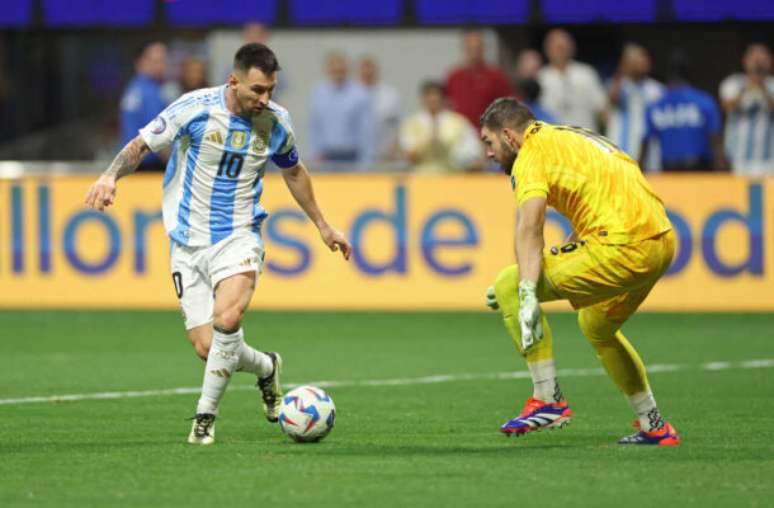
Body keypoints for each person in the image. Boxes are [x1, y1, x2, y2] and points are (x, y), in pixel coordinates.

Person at [84, 43, 352, 445]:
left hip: (239, 234)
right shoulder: (194, 108)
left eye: (271, 90)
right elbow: (142, 144)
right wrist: (109, 176)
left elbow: (294, 172)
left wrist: (323, 226)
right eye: (257, 90)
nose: (265, 100)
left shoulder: (277, 122)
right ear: (234, 81)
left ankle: (204, 420)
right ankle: (266, 367)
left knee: (228, 320)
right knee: (208, 348)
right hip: (187, 241)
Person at [479, 97, 680, 446]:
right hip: (660, 241)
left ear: (510, 136)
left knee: (509, 283)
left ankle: (548, 399)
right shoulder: (569, 137)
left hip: (622, 246)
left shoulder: (529, 156)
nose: (487, 153)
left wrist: (526, 292)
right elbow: (600, 198)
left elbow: (530, 226)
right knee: (597, 325)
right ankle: (654, 424)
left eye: (489, 142)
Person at [640, 52, 726, 171]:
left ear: (668, 74)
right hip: (699, 170)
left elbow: (645, 144)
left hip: (669, 170)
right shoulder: (704, 101)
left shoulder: (655, 106)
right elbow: (716, 140)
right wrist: (721, 170)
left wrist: (640, 172)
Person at [399, 81, 483, 173]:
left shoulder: (458, 122)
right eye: (428, 95)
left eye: (435, 95)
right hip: (421, 177)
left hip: (452, 175)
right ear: (422, 98)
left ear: (443, 98)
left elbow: (473, 151)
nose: (432, 99)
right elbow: (408, 154)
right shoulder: (411, 124)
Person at [308, 52, 375, 166]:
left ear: (347, 70)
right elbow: (314, 126)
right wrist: (315, 153)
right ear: (328, 70)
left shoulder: (360, 93)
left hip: (352, 155)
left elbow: (366, 130)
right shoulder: (319, 93)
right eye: (335, 70)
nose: (338, 74)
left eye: (341, 70)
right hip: (326, 155)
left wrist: (366, 160)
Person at [605, 43, 664, 168]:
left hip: (650, 153)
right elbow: (612, 100)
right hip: (621, 149)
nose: (639, 64)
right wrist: (622, 70)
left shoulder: (657, 89)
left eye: (642, 59)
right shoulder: (617, 85)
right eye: (634, 61)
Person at [719, 43, 774, 174]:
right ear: (745, 61)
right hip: (738, 159)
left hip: (770, 160)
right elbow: (728, 106)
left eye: (762, 58)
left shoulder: (772, 84)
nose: (758, 63)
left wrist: (762, 85)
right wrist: (750, 84)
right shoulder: (733, 82)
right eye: (754, 59)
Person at [538, 29, 606, 129]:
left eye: (564, 48)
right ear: (547, 50)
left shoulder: (586, 73)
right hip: (553, 140)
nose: (560, 52)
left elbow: (601, 107)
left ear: (572, 48)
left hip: (585, 138)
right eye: (557, 48)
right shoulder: (540, 78)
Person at [445, 30, 514, 126]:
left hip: (487, 132)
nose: (474, 53)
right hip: (460, 133)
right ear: (464, 49)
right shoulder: (454, 77)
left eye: (477, 48)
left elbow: (508, 105)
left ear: (483, 49)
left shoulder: (496, 76)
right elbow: (446, 106)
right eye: (470, 48)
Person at [119, 41, 169, 171]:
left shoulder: (133, 87)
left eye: (163, 60)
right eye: (156, 61)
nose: (162, 66)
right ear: (141, 62)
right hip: (148, 165)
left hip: (129, 162)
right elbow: (158, 135)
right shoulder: (150, 92)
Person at [359, 56, 401, 162]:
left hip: (384, 155)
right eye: (364, 69)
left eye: (370, 68)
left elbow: (398, 126)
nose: (368, 73)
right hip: (357, 156)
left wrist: (394, 148)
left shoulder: (390, 94)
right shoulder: (350, 96)